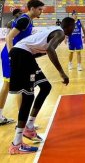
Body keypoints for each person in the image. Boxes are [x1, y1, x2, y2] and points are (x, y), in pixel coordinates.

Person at [8, 17, 75, 155]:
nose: (73, 30)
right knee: (28, 97)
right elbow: (50, 49)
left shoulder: (54, 31)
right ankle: (16, 144)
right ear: (69, 26)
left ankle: (29, 126)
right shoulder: (61, 33)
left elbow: (40, 49)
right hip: (22, 54)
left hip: (25, 55)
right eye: (73, 27)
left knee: (45, 87)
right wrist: (62, 73)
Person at [0, 0, 44, 126]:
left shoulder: (27, 20)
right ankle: (22, 122)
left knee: (8, 85)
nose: (41, 11)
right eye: (39, 9)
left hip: (13, 54)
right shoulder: (24, 20)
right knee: (20, 87)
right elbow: (9, 37)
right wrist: (11, 55)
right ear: (32, 8)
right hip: (12, 55)